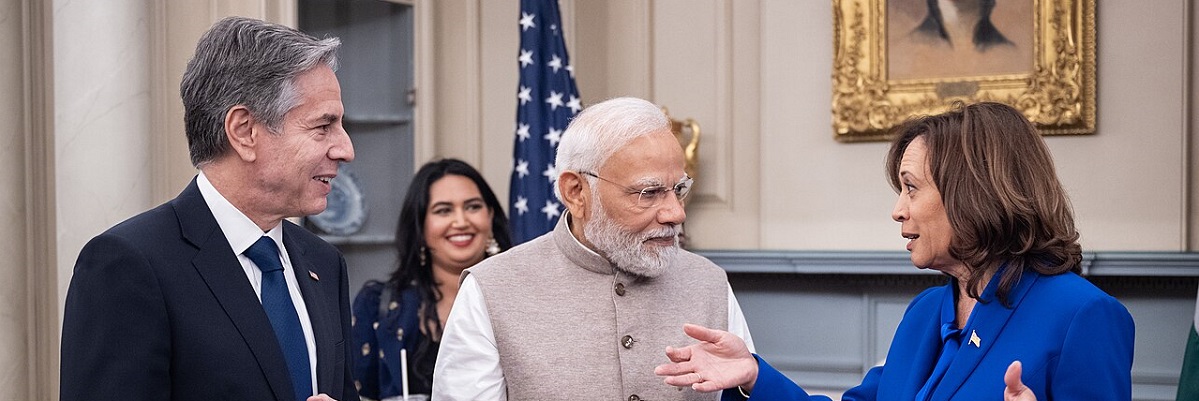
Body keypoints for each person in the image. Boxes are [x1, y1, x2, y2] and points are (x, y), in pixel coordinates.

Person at [654, 102, 1135, 401]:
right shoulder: (928, 311)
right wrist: (754, 375)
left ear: (974, 192)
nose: (897, 211)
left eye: (910, 188)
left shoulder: (1083, 315)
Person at [61, 17, 359, 401]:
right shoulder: (129, 265)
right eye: (323, 127)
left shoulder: (324, 263)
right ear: (244, 131)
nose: (345, 149)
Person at [431, 97, 755, 400]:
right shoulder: (492, 288)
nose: (676, 213)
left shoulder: (709, 282)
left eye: (678, 189)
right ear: (576, 192)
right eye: (649, 192)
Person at [351, 158, 512, 400]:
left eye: (473, 207)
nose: (461, 221)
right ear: (420, 226)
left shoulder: (525, 299)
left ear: (490, 216)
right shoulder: (377, 306)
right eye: (443, 210)